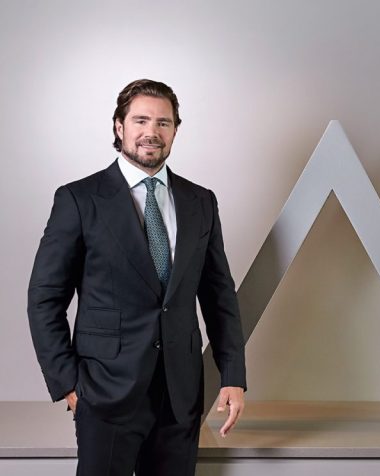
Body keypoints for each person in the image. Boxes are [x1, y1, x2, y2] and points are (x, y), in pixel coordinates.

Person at [27, 79, 247, 475]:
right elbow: (44, 298)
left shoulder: (201, 201)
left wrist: (233, 376)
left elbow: (219, 296)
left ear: (175, 130)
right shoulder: (79, 199)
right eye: (141, 120)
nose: (152, 132)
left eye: (163, 122)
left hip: (180, 395)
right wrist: (68, 384)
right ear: (119, 126)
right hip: (104, 392)